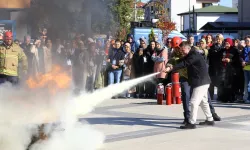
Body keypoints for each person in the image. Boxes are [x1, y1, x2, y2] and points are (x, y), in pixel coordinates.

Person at [164, 41, 214, 129]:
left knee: (194, 102)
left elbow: (185, 64)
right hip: (202, 81)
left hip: (201, 82)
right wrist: (170, 65)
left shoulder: (194, 55)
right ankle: (210, 119)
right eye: (181, 50)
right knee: (203, 101)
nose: (182, 52)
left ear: (188, 48)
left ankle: (191, 122)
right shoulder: (189, 55)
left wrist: (172, 69)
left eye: (183, 50)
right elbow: (180, 61)